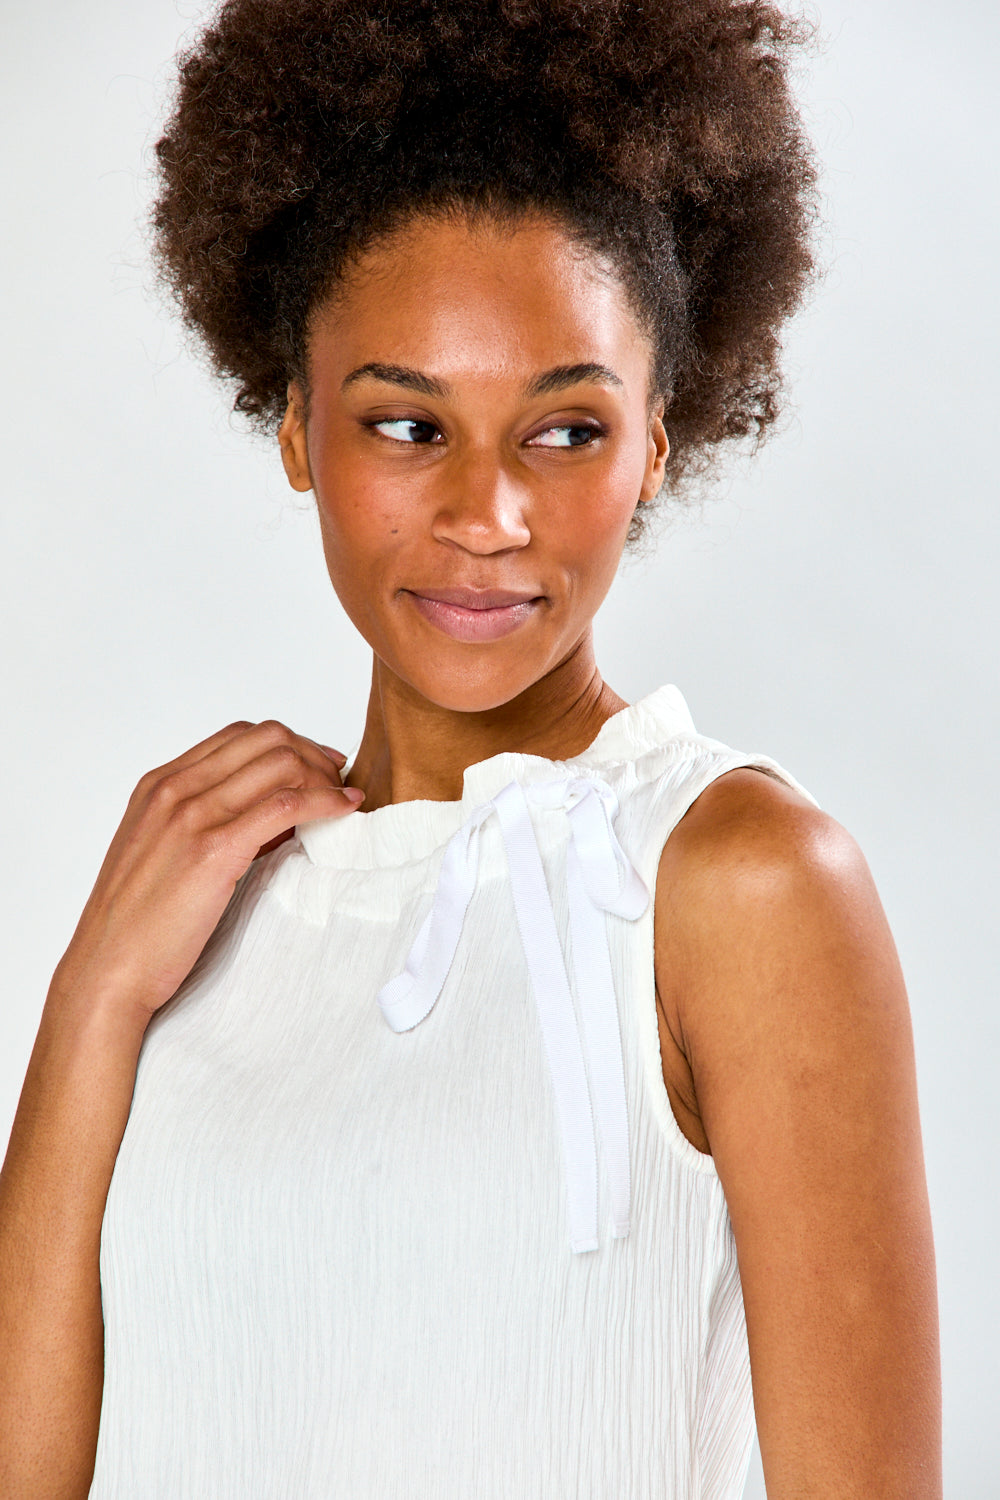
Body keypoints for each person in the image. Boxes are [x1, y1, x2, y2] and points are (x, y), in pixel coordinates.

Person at [0, 0, 941, 1495]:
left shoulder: (744, 883)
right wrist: (89, 1004)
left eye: (565, 430)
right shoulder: (202, 897)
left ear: (658, 440)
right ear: (298, 424)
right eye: (406, 426)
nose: (489, 518)